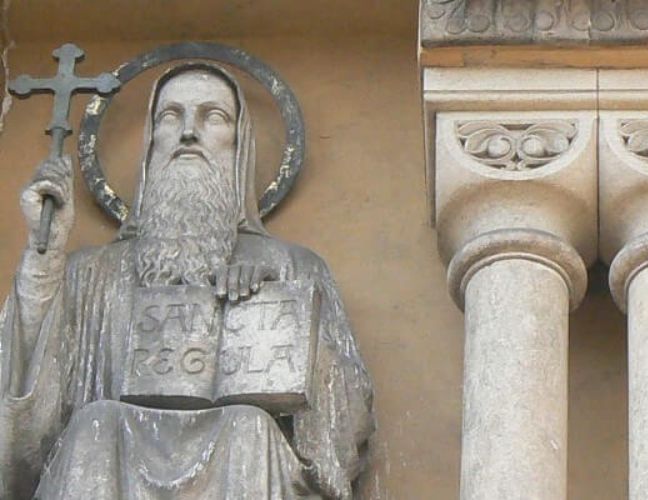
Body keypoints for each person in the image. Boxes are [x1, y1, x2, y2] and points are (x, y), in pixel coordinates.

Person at [0, 63, 373, 499]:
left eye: (213, 117)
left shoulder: (292, 267)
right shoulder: (89, 273)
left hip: (246, 461)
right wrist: (43, 260)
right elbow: (22, 430)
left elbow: (346, 417)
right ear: (151, 142)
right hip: (102, 458)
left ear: (240, 147)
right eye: (170, 116)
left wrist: (277, 311)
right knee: (94, 425)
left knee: (247, 427)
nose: (189, 132)